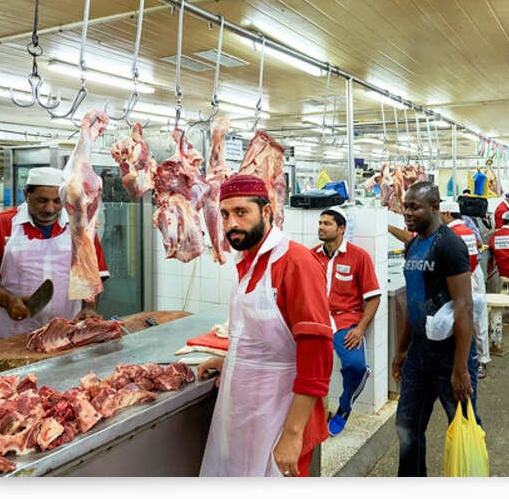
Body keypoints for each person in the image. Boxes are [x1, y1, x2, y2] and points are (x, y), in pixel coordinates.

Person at [197, 174, 334, 477]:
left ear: (267, 212)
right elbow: (258, 337)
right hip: (242, 407)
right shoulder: (247, 261)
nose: (231, 223)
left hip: (281, 411)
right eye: (225, 214)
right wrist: (231, 361)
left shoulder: (295, 262)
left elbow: (317, 357)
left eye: (241, 212)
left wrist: (293, 433)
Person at [392, 182, 479, 477]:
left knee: (464, 423)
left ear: (434, 208)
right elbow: (414, 303)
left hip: (449, 355)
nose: (407, 212)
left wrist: (460, 369)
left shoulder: (449, 244)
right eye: (405, 206)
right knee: (407, 424)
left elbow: (464, 308)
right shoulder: (413, 245)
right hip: (418, 355)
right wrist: (402, 350)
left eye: (414, 207)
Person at [0, 167, 109, 340]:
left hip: (64, 331)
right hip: (11, 332)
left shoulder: (80, 228)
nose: (50, 208)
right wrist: (8, 301)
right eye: (42, 200)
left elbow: (92, 275)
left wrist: (89, 307)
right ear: (26, 195)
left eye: (57, 201)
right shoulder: (0, 225)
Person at [312, 207, 382, 437]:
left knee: (357, 366)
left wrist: (361, 328)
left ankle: (344, 408)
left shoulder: (358, 256)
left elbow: (373, 297)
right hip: (317, 320)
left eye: (327, 223)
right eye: (320, 223)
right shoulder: (311, 256)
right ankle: (311, 414)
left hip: (345, 322)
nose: (321, 227)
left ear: (341, 229)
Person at [440, 200, 489, 378]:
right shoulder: (467, 230)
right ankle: (481, 359)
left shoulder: (452, 233)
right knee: (476, 319)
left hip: (465, 279)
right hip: (471, 274)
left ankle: (477, 360)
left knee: (470, 320)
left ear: (447, 214)